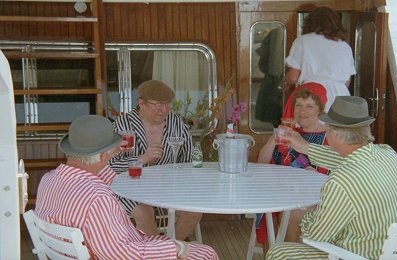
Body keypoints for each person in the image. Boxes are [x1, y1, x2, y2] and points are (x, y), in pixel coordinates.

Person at [34, 115, 218, 259]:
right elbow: (122, 253)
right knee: (205, 253)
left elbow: (106, 178)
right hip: (124, 253)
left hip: (71, 252)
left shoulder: (49, 180)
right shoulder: (98, 198)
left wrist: (109, 152)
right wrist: (175, 247)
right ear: (104, 155)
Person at [267, 96, 397, 259]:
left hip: (357, 256)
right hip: (396, 253)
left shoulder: (341, 181)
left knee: (278, 252)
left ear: (334, 134)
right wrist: (305, 147)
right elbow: (344, 158)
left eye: (327, 128)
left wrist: (310, 214)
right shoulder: (388, 153)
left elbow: (315, 235)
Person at [109, 80, 203, 240]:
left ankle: (171, 249)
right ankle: (161, 252)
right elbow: (110, 165)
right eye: (158, 105)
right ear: (142, 103)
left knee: (194, 210)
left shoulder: (175, 122)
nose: (164, 110)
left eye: (168, 104)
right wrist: (142, 158)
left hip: (168, 184)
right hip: (131, 186)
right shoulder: (123, 124)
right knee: (144, 213)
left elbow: (188, 160)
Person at [255, 84, 330, 254]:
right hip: (282, 192)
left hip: (314, 197)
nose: (302, 111)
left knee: (292, 212)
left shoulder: (330, 136)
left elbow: (331, 173)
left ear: (320, 109)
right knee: (267, 208)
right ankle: (273, 255)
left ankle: (290, 255)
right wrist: (275, 138)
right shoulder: (288, 132)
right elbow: (261, 162)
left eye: (309, 106)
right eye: (298, 105)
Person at [284, 6, 356, 112]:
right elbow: (347, 81)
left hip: (312, 95)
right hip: (340, 97)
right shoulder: (344, 46)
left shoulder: (303, 41)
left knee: (312, 127)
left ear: (309, 23)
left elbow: (293, 77)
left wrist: (286, 81)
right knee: (337, 127)